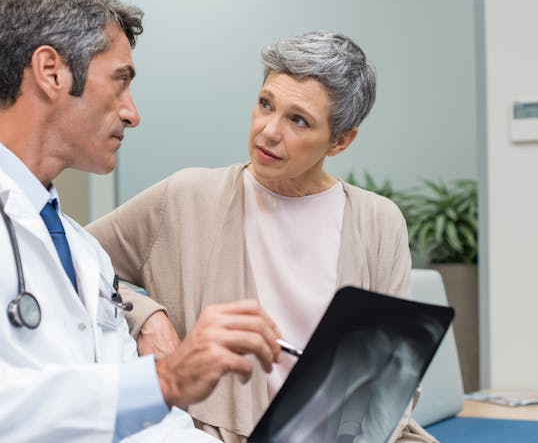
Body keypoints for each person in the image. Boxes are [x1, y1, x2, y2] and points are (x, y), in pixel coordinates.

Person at [0, 0, 283, 442]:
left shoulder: (84, 253)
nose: (132, 113)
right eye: (120, 82)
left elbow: (142, 428)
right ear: (51, 71)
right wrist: (162, 381)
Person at [87, 32, 438, 442]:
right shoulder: (186, 196)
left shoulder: (380, 222)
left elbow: (392, 372)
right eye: (266, 104)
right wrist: (144, 314)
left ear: (341, 140)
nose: (268, 131)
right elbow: (71, 260)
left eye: (298, 120)